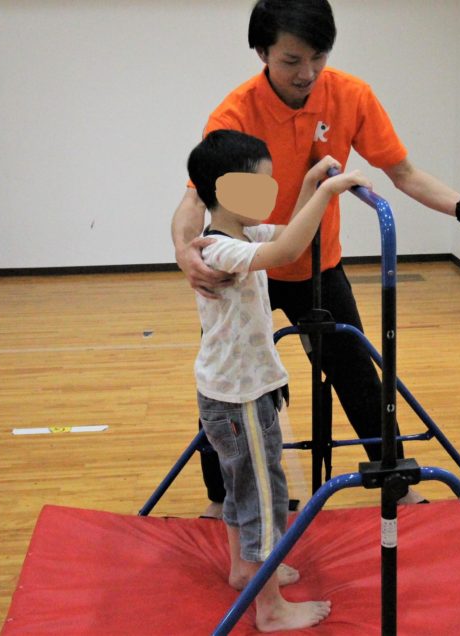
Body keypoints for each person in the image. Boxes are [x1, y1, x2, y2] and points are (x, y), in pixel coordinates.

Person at [173, 0, 460, 518]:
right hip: (246, 269)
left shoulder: (350, 96)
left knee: (356, 374)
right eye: (291, 60)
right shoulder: (235, 113)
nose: (307, 73)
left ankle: (395, 482)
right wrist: (185, 253)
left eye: (319, 57)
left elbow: (404, 174)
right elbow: (194, 197)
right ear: (262, 52)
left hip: (317, 265)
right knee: (224, 381)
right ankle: (222, 500)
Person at [188, 128, 370, 631]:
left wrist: (312, 184)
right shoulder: (220, 250)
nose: (269, 195)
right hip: (240, 398)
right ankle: (269, 608)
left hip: (237, 389)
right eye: (259, 186)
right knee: (263, 498)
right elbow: (289, 250)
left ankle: (243, 570)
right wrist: (330, 191)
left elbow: (292, 232)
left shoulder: (244, 236)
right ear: (225, 191)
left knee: (240, 488)